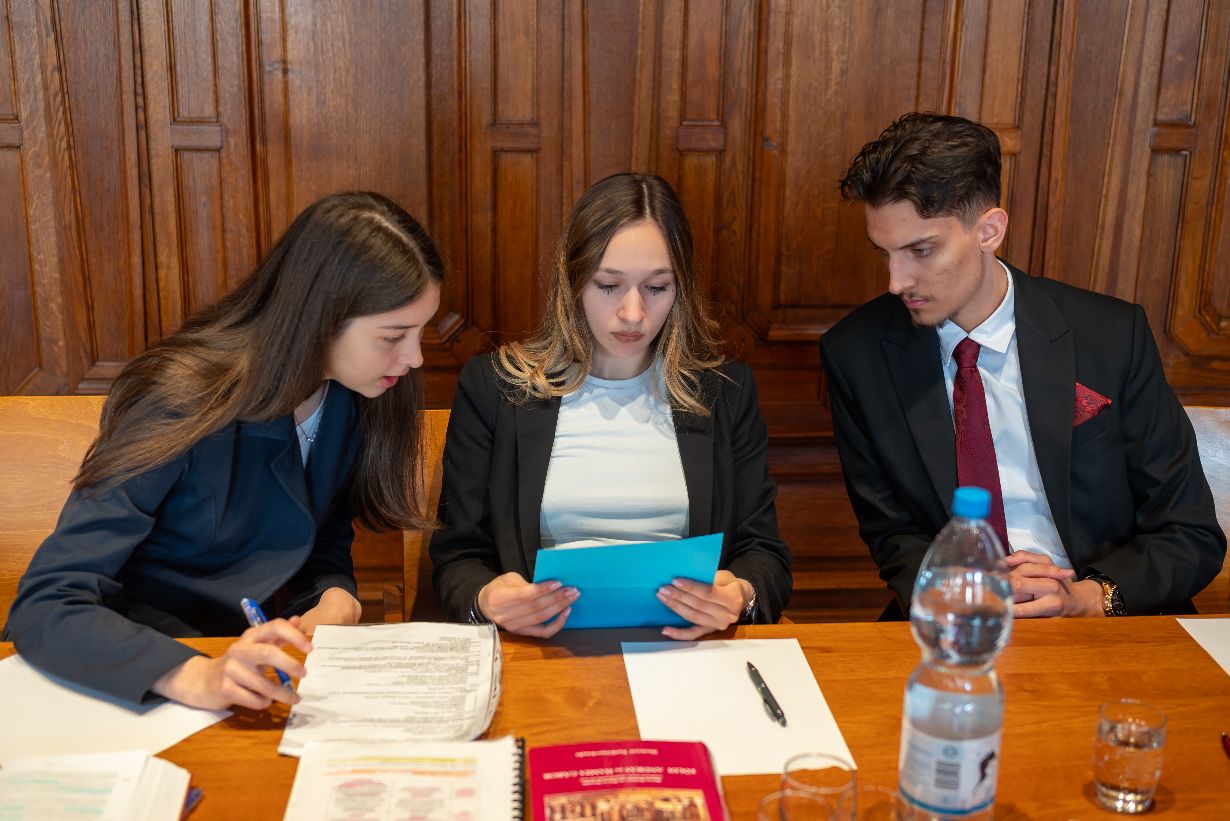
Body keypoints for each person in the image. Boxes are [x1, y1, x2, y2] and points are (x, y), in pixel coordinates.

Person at [3, 191, 444, 708]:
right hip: (130, 673)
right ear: (320, 317)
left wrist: (335, 596)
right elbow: (47, 602)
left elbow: (320, 536)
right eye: (393, 336)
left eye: (421, 331)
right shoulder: (181, 398)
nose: (415, 357)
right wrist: (192, 675)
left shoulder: (353, 398)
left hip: (243, 666)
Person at [820, 112, 1225, 619]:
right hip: (957, 616)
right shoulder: (856, 353)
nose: (896, 282)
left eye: (921, 250)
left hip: (1105, 614)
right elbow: (893, 535)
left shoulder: (1110, 336)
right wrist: (966, 594)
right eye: (885, 253)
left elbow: (1189, 532)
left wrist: (1089, 598)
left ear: (989, 231)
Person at [430, 172, 791, 638]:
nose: (633, 314)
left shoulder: (725, 392)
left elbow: (764, 555)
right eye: (607, 285)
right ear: (573, 282)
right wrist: (487, 599)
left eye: (657, 287)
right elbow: (458, 557)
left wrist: (740, 595)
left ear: (680, 289)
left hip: (683, 652)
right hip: (545, 649)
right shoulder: (496, 388)